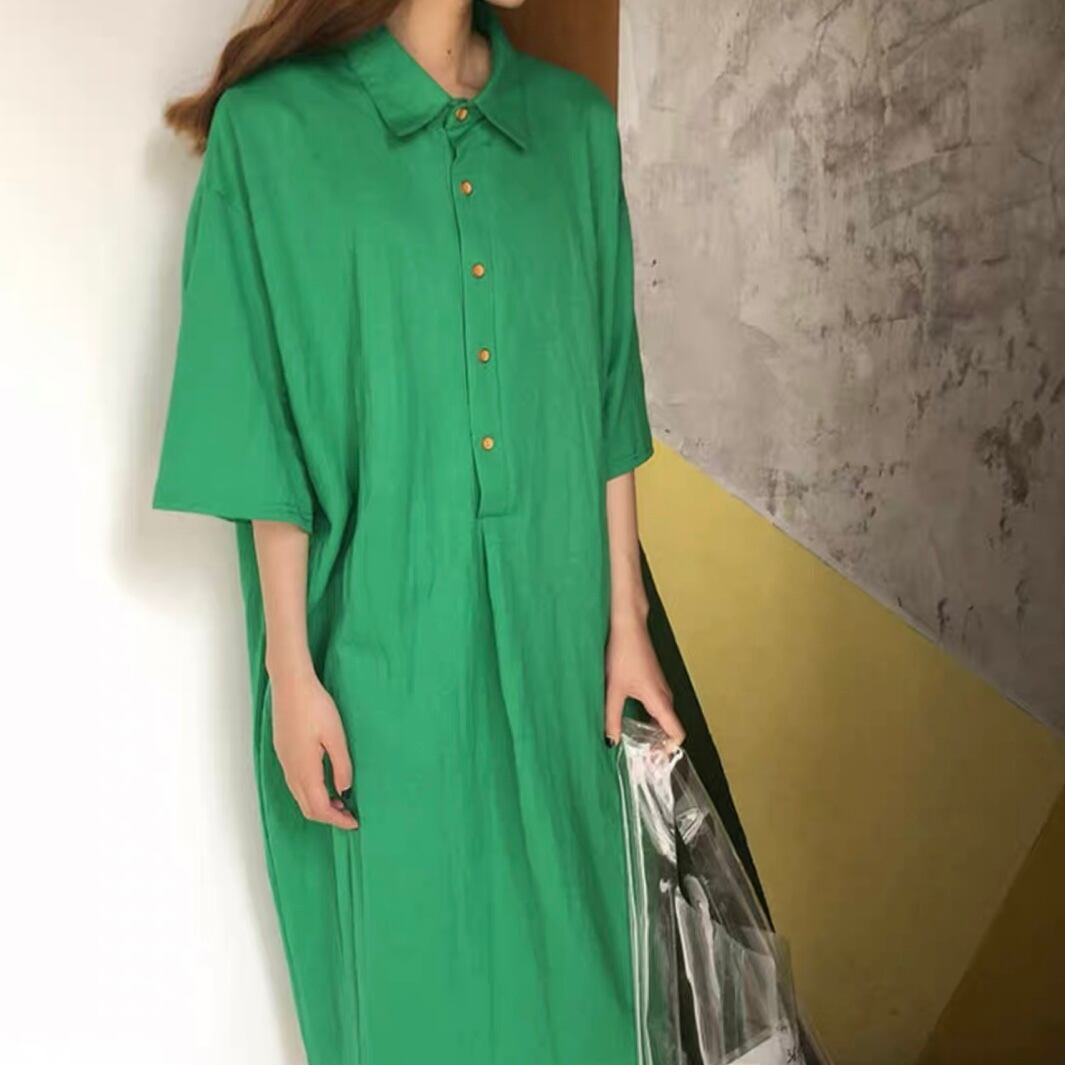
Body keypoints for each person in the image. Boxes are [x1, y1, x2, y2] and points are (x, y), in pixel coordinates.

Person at [152, 0, 685, 1062]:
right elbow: (261, 418)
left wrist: (627, 623)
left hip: (562, 640)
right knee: (413, 987)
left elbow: (608, 398)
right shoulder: (276, 130)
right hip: (381, 653)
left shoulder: (573, 127)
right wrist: (290, 668)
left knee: (587, 979)